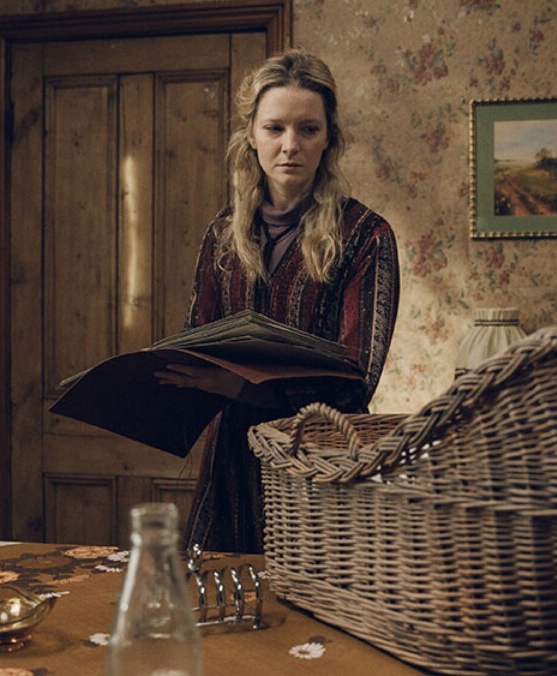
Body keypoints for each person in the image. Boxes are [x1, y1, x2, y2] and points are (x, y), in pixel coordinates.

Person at [154, 50, 400, 554]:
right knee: (220, 608)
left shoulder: (366, 236)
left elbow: (356, 378)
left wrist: (243, 386)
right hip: (230, 464)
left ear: (329, 137)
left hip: (318, 463)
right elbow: (195, 342)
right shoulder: (223, 235)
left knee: (313, 620)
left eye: (308, 129)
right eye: (275, 128)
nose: (291, 145)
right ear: (252, 135)